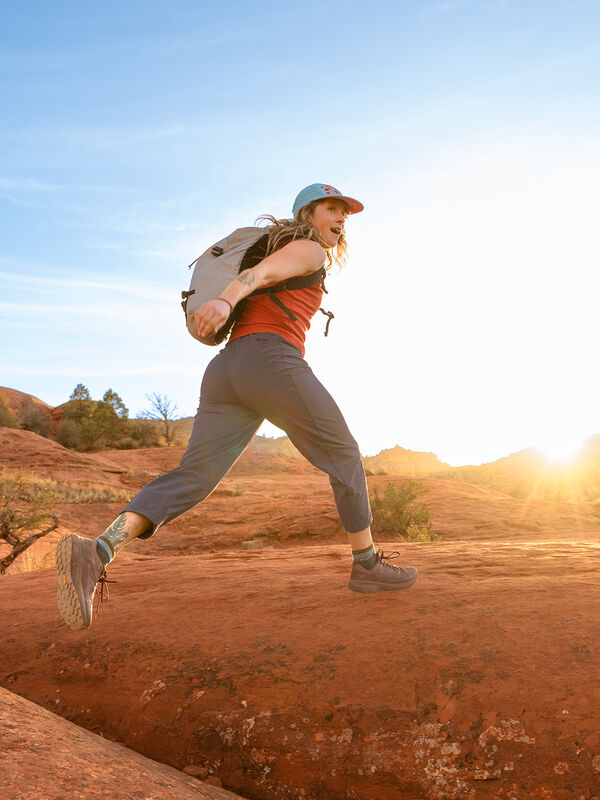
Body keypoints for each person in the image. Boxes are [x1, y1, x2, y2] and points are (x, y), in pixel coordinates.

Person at [56, 183, 418, 631]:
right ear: (308, 213)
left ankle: (97, 551)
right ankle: (367, 566)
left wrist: (229, 304)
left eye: (346, 212)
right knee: (342, 452)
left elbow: (261, 275)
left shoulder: (286, 248)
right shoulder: (309, 249)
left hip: (228, 370)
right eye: (332, 209)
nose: (342, 218)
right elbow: (261, 275)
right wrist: (226, 299)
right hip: (270, 360)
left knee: (193, 478)